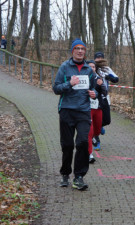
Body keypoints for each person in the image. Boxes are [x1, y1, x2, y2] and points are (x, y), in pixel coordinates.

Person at [53, 38, 97, 191]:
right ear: (72, 51)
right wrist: (69, 84)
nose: (80, 51)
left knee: (83, 142)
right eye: (77, 48)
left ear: (85, 52)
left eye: (82, 49)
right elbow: (56, 88)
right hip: (66, 109)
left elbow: (95, 89)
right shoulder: (65, 67)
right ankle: (65, 173)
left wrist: (94, 93)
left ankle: (79, 176)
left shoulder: (89, 70)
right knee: (67, 145)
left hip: (83, 111)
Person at [92, 52, 119, 151]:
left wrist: (110, 77)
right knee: (95, 120)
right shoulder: (91, 68)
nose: (99, 59)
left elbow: (116, 79)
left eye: (100, 58)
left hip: (104, 97)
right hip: (94, 98)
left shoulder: (106, 69)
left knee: (107, 120)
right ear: (94, 59)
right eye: (97, 58)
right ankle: (96, 141)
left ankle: (99, 127)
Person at [86, 60, 107, 163]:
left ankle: (94, 137)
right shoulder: (83, 78)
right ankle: (90, 154)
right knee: (89, 131)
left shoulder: (98, 78)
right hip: (87, 108)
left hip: (97, 107)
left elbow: (105, 92)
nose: (92, 68)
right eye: (89, 67)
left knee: (97, 130)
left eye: (93, 67)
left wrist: (101, 84)